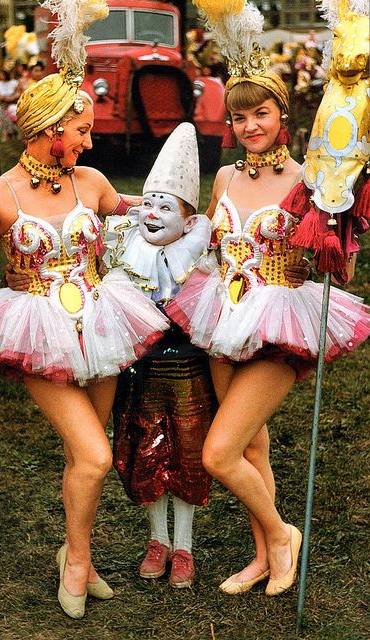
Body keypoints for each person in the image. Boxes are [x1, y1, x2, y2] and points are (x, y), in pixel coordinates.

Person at [0, 0, 169, 621]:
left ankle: (81, 557)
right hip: (35, 328)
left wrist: (186, 214)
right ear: (48, 129)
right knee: (93, 456)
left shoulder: (89, 180)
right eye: (81, 131)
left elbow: (142, 212)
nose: (88, 142)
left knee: (80, 459)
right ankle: (74, 563)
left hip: (102, 323)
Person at [167, 1, 369, 597]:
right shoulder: (227, 178)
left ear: (283, 112)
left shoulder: (312, 180)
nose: (250, 125)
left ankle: (281, 535)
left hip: (280, 316)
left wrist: (341, 228)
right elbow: (210, 241)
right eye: (239, 117)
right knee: (252, 444)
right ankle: (263, 556)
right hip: (221, 312)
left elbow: (344, 265)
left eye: (261, 113)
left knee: (219, 452)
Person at [104, 123, 215, 589]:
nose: (151, 213)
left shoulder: (200, 257)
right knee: (145, 448)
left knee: (188, 452)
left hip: (187, 370)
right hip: (141, 371)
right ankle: (157, 539)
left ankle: (184, 545)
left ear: (188, 222)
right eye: (148, 202)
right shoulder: (125, 252)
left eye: (165, 206)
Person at [0, 67, 19, 142]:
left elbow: (17, 92)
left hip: (13, 105)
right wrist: (3, 98)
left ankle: (15, 136)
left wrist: (12, 98)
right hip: (4, 106)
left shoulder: (14, 82)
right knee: (5, 122)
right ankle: (6, 137)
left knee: (14, 122)